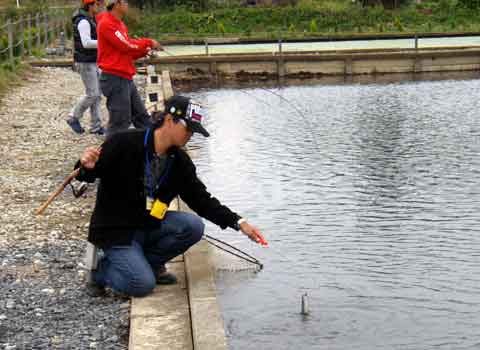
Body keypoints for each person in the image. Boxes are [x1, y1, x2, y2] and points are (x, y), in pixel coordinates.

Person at [76, 95, 268, 297]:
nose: (191, 135)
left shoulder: (179, 161)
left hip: (149, 225)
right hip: (117, 232)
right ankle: (100, 272)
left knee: (193, 226)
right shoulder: (123, 142)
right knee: (142, 285)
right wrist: (85, 167)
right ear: (169, 120)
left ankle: (150, 263)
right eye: (189, 129)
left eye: (194, 131)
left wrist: (239, 222)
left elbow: (201, 200)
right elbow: (87, 175)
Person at [97, 0, 162, 137]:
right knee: (120, 123)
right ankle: (109, 155)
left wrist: (146, 50)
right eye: (125, 1)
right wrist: (148, 42)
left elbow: (128, 52)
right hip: (114, 78)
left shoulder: (120, 24)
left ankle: (154, 149)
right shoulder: (107, 24)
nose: (128, 4)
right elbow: (126, 45)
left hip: (125, 77)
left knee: (142, 117)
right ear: (116, 4)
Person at [66, 0, 105, 135]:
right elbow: (86, 43)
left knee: (97, 95)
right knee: (92, 94)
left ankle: (96, 126)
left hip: (92, 60)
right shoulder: (83, 21)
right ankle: (73, 117)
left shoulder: (89, 19)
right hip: (85, 62)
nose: (99, 6)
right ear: (90, 6)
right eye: (96, 4)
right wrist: (104, 42)